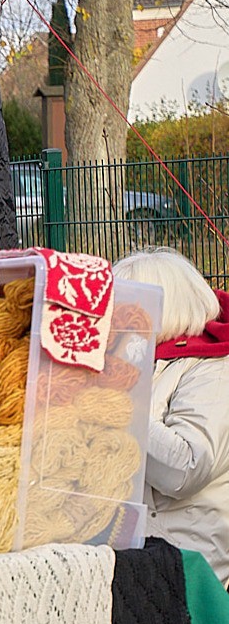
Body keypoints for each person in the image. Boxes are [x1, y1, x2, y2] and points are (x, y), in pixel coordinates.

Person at [117, 248, 229, 584]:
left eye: (127, 309)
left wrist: (119, 405)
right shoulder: (140, 364)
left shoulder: (212, 370)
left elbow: (185, 468)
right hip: (136, 559)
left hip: (191, 570)